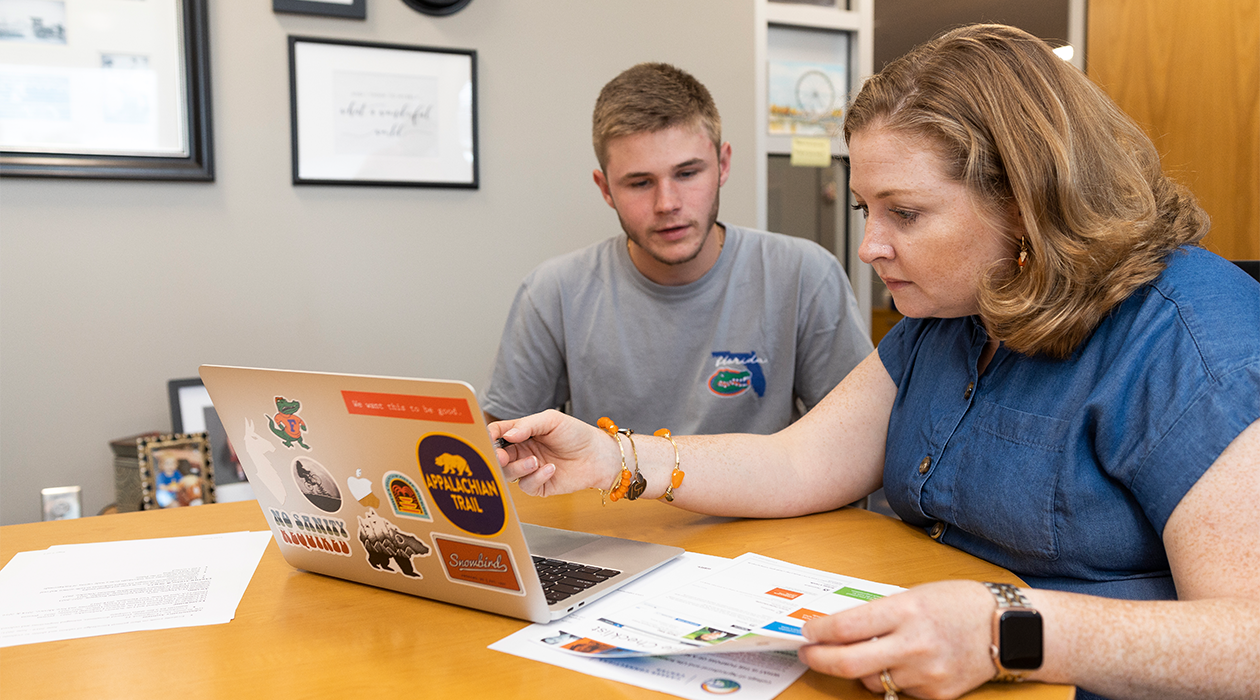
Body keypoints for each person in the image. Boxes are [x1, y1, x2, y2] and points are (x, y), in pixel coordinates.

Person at [489, 25, 1260, 700]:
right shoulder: (949, 318)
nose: (869, 247)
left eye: (907, 213)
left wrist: (1008, 629)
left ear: (1025, 200)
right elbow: (797, 464)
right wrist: (615, 456)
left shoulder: (1191, 338)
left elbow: (1249, 641)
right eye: (868, 210)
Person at [482, 62, 872, 435]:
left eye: (687, 174)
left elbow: (857, 442)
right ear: (605, 189)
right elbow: (504, 451)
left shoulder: (805, 275)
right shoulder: (553, 293)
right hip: (607, 505)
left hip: (763, 507)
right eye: (639, 183)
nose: (667, 203)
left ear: (722, 164)